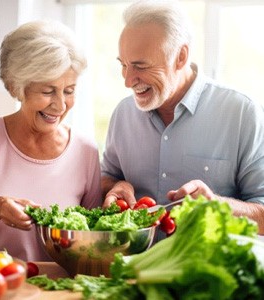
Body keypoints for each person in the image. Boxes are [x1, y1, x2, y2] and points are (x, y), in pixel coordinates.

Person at [101, 0, 264, 235]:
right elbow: (107, 177)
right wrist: (115, 186)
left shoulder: (242, 114)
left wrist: (217, 206)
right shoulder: (123, 114)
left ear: (181, 56)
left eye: (140, 66)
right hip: (133, 269)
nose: (127, 80)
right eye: (124, 65)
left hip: (207, 269)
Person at [0, 20, 102, 261]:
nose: (60, 106)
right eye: (48, 91)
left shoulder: (86, 151)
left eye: (69, 90)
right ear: (16, 87)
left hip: (57, 293)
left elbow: (92, 245)